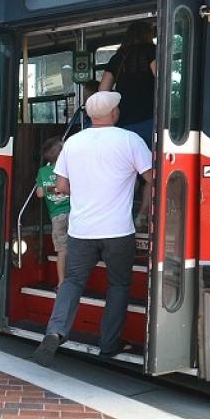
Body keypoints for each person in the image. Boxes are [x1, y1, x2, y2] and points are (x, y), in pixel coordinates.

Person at [33, 91, 153, 366]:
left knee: (73, 282)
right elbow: (151, 177)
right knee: (118, 285)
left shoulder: (72, 143)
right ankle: (109, 344)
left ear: (89, 116)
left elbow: (61, 186)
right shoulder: (130, 140)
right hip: (118, 232)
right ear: (114, 113)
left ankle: (55, 331)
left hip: (81, 231)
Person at [99, 21, 157, 145]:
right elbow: (162, 78)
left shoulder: (117, 57)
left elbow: (102, 90)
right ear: (147, 35)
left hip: (123, 119)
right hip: (148, 116)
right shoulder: (151, 51)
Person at [32, 137, 70, 284]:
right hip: (73, 212)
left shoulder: (43, 171)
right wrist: (61, 188)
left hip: (56, 216)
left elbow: (40, 193)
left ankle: (61, 282)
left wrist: (52, 189)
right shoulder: (68, 169)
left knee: (62, 250)